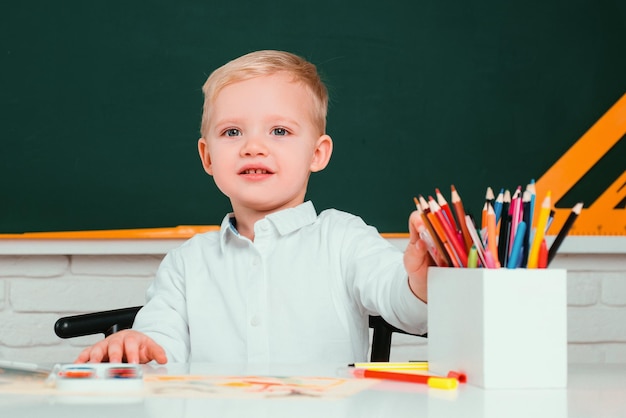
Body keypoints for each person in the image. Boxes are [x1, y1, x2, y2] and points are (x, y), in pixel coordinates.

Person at [76, 50, 432, 364]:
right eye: (232, 132)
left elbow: (407, 308)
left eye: (279, 131)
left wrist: (420, 279)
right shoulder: (187, 263)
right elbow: (161, 351)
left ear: (317, 153)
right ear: (207, 157)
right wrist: (137, 343)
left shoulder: (343, 239)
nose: (253, 147)